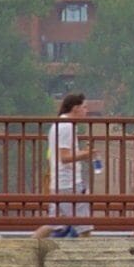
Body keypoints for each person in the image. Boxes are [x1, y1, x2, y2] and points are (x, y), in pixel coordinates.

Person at [46, 92, 92, 238]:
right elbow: (64, 157)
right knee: (84, 227)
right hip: (69, 184)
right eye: (84, 107)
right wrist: (86, 154)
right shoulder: (66, 127)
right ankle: (91, 258)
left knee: (52, 225)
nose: (87, 111)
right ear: (75, 108)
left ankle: (26, 249)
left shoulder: (60, 124)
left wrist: (81, 154)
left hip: (59, 182)